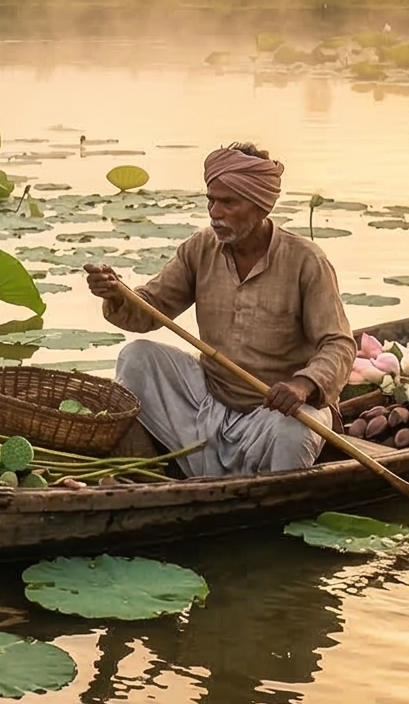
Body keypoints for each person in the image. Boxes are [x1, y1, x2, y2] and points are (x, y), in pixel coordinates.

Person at [82, 143, 355, 477]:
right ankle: (162, 467)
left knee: (295, 433)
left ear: (259, 207)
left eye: (228, 202)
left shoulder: (306, 260)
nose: (215, 212)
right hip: (209, 400)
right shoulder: (201, 248)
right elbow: (150, 309)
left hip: (278, 411)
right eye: (211, 199)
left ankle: (267, 497)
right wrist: (117, 295)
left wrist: (302, 385)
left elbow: (339, 344)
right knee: (136, 358)